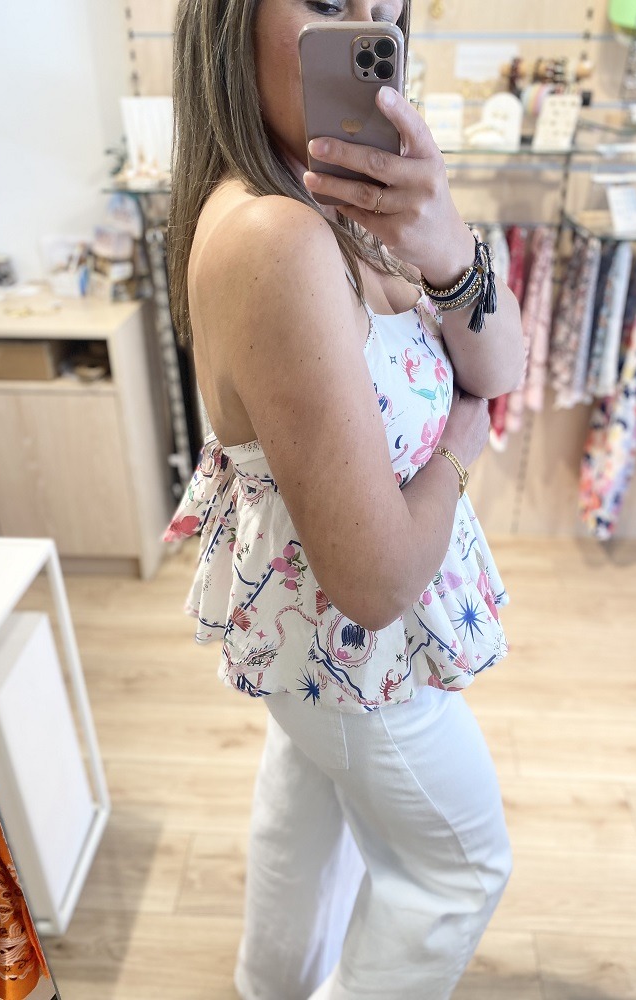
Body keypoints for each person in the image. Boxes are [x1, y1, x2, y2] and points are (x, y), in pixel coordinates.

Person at [164, 1, 526, 997]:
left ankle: (270, 985)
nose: (372, 31)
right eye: (328, 2)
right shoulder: (278, 236)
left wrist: (448, 249)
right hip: (355, 648)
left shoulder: (337, 194)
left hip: (312, 653)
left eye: (387, 6)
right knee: (459, 869)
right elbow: (372, 582)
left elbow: (501, 363)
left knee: (310, 801)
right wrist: (458, 451)